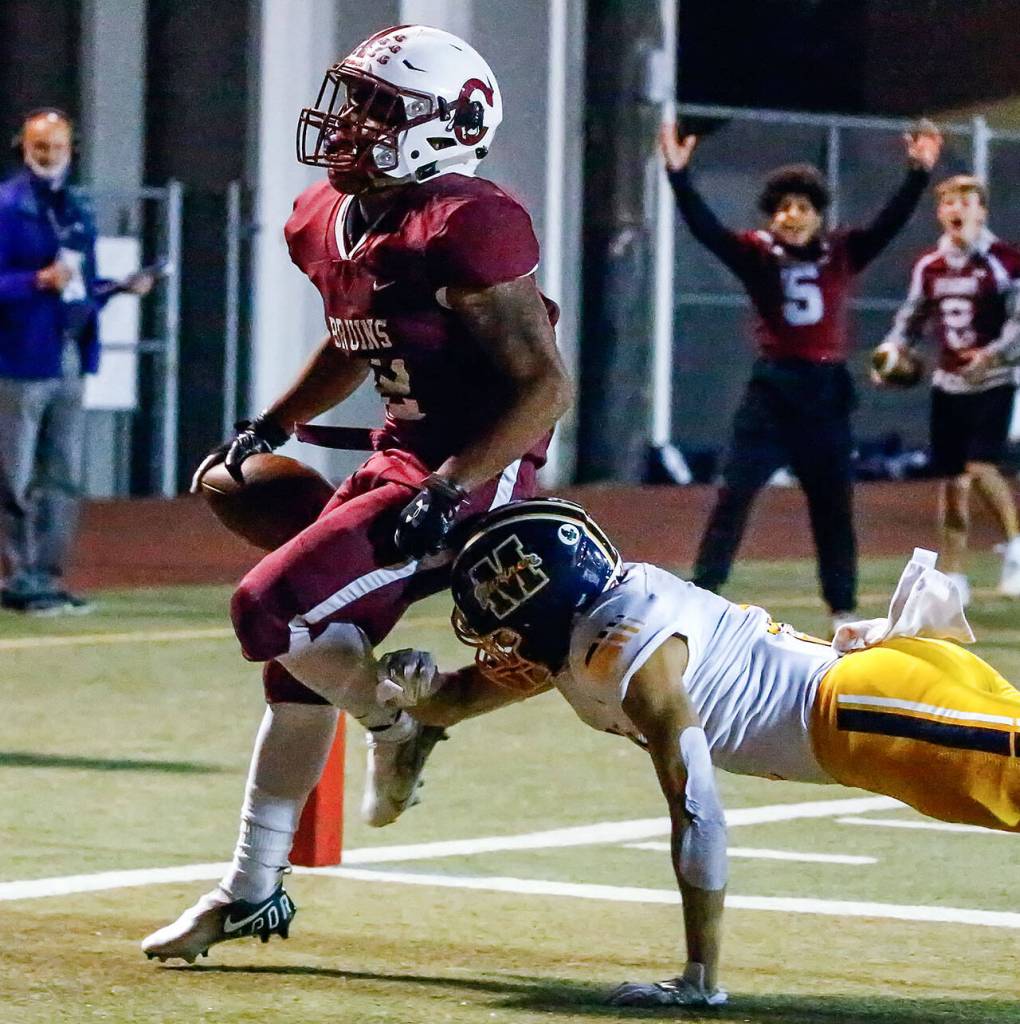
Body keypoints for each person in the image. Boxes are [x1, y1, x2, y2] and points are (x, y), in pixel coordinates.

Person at [141, 25, 571, 963]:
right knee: (292, 651)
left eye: (381, 109)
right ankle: (252, 889)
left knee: (267, 611)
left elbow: (543, 385)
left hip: (473, 475)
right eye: (354, 101)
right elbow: (356, 334)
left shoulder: (470, 221)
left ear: (449, 126)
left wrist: (455, 483)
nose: (350, 125)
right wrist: (275, 424)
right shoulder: (327, 215)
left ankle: (397, 719)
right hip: (396, 460)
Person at [427, 496, 1020, 1008]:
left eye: (501, 624)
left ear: (545, 606)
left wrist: (699, 976)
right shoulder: (592, 629)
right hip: (880, 697)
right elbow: (449, 702)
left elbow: (697, 805)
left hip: (866, 715)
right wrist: (401, 689)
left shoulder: (625, 654)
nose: (497, 645)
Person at [659, 120, 943, 635]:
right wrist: (678, 177)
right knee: (734, 495)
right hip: (772, 391)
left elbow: (889, 224)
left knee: (833, 506)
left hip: (825, 391)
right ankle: (701, 596)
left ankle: (843, 609)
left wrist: (917, 174)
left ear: (818, 215)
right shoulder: (755, 254)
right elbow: (706, 230)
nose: (794, 216)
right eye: (785, 208)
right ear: (772, 214)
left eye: (804, 208)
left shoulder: (842, 252)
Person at [0, 108, 153, 614]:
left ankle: (47, 574)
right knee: (13, 474)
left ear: (71, 149)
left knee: (62, 475)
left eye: (57, 148)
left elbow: (80, 288)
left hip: (67, 353)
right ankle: (19, 577)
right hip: (17, 358)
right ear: (23, 147)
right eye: (40, 148)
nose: (49, 157)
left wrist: (121, 289)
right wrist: (33, 283)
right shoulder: (7, 204)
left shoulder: (77, 207)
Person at [879, 174, 1020, 604]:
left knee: (980, 466)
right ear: (940, 213)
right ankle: (954, 576)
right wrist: (893, 351)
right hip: (949, 382)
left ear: (982, 211)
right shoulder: (930, 266)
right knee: (953, 481)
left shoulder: (1005, 262)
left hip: (993, 379)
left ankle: (1015, 547)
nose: (957, 209)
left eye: (966, 201)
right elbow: (912, 316)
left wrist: (991, 356)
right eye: (949, 203)